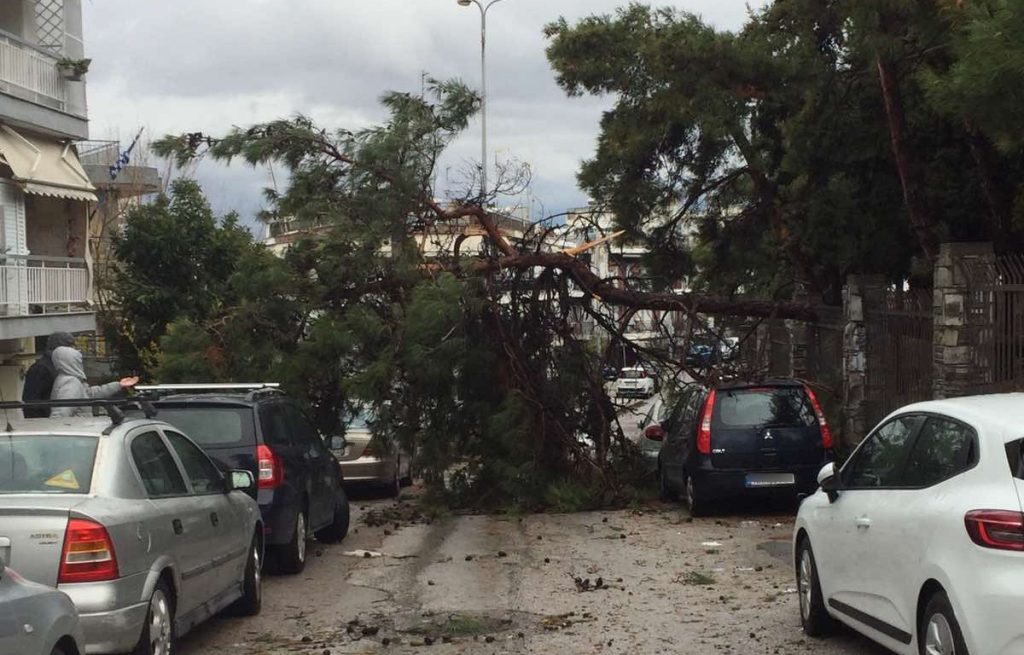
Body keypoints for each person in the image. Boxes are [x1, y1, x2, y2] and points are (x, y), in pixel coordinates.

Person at [49, 346, 139, 418]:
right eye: (79, 360)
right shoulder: (71, 382)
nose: (81, 362)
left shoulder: (72, 380)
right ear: (72, 361)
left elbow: (89, 394)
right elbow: (60, 414)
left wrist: (119, 385)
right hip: (77, 432)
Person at [22, 332, 77, 418]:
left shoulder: (61, 366)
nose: (73, 350)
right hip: (45, 422)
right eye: (69, 346)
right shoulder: (41, 368)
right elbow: (31, 401)